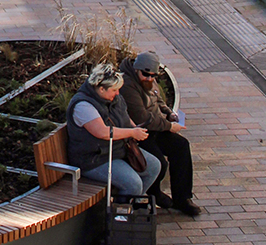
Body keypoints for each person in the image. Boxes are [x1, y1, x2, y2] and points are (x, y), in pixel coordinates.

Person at [120, 52, 201, 216]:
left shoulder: (148, 80)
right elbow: (142, 117)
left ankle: (183, 198)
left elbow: (158, 100)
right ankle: (154, 192)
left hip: (156, 128)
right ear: (137, 70)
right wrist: (169, 126)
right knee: (158, 163)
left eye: (153, 76)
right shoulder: (128, 85)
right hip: (140, 132)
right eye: (146, 75)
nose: (149, 79)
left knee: (181, 146)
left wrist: (169, 112)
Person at [67, 63, 161, 196]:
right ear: (101, 89)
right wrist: (132, 132)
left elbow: (124, 117)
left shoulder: (113, 98)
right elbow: (103, 132)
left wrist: (135, 128)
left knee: (154, 166)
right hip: (95, 159)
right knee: (133, 184)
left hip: (117, 150)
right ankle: (120, 211)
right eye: (114, 90)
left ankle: (131, 203)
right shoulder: (83, 106)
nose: (118, 93)